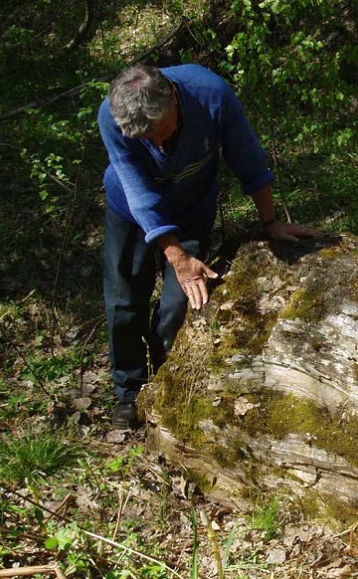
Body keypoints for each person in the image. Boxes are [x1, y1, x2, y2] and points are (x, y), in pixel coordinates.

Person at [99, 63, 318, 428]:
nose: (155, 143)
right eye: (145, 139)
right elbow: (138, 191)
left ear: (173, 98)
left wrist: (270, 222)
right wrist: (176, 256)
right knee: (123, 303)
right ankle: (132, 392)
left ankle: (168, 388)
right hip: (129, 211)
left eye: (160, 131)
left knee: (180, 304)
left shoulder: (211, 94)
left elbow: (247, 157)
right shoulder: (112, 114)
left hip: (191, 208)